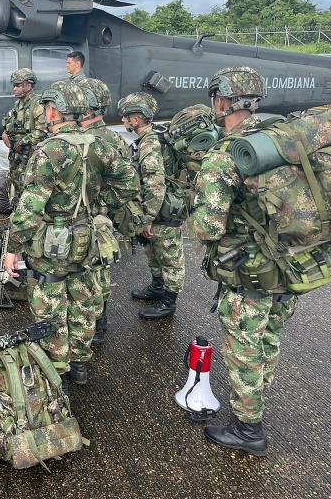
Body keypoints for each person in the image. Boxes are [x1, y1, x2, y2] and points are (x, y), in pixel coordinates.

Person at [188, 66, 297, 455]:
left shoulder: (226, 154)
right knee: (269, 335)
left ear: (222, 101)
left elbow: (207, 227)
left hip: (250, 271)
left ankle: (248, 428)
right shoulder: (282, 141)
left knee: (244, 346)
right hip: (292, 266)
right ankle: (257, 399)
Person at [3, 80, 139, 385]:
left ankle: (57, 371)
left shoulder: (48, 151)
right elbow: (130, 185)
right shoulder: (103, 144)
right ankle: (79, 365)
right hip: (89, 240)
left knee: (51, 304)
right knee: (83, 303)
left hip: (52, 246)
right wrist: (98, 207)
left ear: (55, 110)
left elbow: (29, 210)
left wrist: (12, 249)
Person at [74, 77, 131, 342]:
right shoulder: (115, 139)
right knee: (103, 267)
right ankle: (100, 318)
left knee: (84, 273)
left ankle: (88, 326)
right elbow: (129, 182)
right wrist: (107, 206)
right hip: (104, 219)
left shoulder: (80, 140)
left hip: (83, 218)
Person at [119, 92, 185, 320]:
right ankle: (158, 287)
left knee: (170, 257)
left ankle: (169, 302)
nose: (124, 121)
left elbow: (155, 183)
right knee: (153, 253)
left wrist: (147, 218)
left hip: (162, 211)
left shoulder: (150, 143)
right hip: (157, 208)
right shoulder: (152, 136)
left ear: (136, 119)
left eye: (126, 117)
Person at [0, 68, 46, 212]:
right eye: (14, 85)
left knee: (28, 185)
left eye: (18, 85)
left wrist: (24, 142)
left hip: (30, 155)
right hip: (16, 155)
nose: (15, 88)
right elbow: (11, 125)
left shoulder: (37, 104)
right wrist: (5, 134)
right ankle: (17, 211)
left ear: (28, 85)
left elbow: (42, 130)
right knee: (15, 182)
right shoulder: (18, 105)